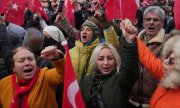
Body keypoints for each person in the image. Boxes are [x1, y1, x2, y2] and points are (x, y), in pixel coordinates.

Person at [80, 19, 139, 108]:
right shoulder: (88, 80)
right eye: (101, 59)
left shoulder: (121, 80)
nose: (106, 63)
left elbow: (130, 69)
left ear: (115, 60)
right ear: (95, 61)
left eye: (110, 58)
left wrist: (129, 43)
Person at [55, 9, 119, 83]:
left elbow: (113, 46)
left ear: (94, 34)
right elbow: (62, 72)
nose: (84, 32)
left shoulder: (100, 51)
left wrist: (106, 25)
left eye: (88, 30)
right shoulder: (70, 52)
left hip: (90, 92)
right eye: (82, 30)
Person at [130, 6, 170, 108]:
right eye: (148, 19)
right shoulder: (133, 40)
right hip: (131, 101)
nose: (151, 22)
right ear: (143, 23)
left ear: (162, 23)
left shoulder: (169, 43)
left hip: (154, 103)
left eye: (155, 20)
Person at [0, 45, 65, 108]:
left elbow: (63, 74)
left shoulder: (45, 76)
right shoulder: (3, 83)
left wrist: (57, 57)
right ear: (13, 68)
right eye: (21, 60)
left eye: (31, 59)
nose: (27, 63)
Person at [137, 35, 180, 108]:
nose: (165, 61)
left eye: (171, 60)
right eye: (168, 56)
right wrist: (133, 37)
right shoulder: (166, 74)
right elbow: (147, 57)